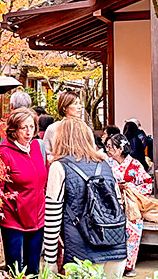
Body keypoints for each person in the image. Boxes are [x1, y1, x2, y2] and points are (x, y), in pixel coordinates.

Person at [44, 118, 127, 278]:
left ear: (61, 138)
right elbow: (118, 204)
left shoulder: (59, 166)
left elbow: (52, 217)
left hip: (82, 253)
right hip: (116, 248)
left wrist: (50, 259)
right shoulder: (105, 164)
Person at [0, 108, 47, 275]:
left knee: (33, 272)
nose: (29, 132)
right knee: (15, 273)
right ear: (14, 130)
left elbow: (45, 183)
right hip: (13, 222)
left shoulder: (38, 148)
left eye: (31, 127)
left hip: (37, 221)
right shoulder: (4, 155)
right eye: (23, 128)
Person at [105, 133, 152, 277]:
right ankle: (114, 263)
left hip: (131, 205)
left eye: (110, 147)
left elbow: (147, 184)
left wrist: (129, 188)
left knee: (133, 233)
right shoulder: (107, 163)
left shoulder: (135, 165)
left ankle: (129, 265)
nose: (107, 150)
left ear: (120, 149)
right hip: (111, 204)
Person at [43, 89, 83, 155]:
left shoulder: (85, 128)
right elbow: (46, 153)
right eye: (75, 104)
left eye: (79, 103)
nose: (79, 107)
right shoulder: (53, 128)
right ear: (64, 107)